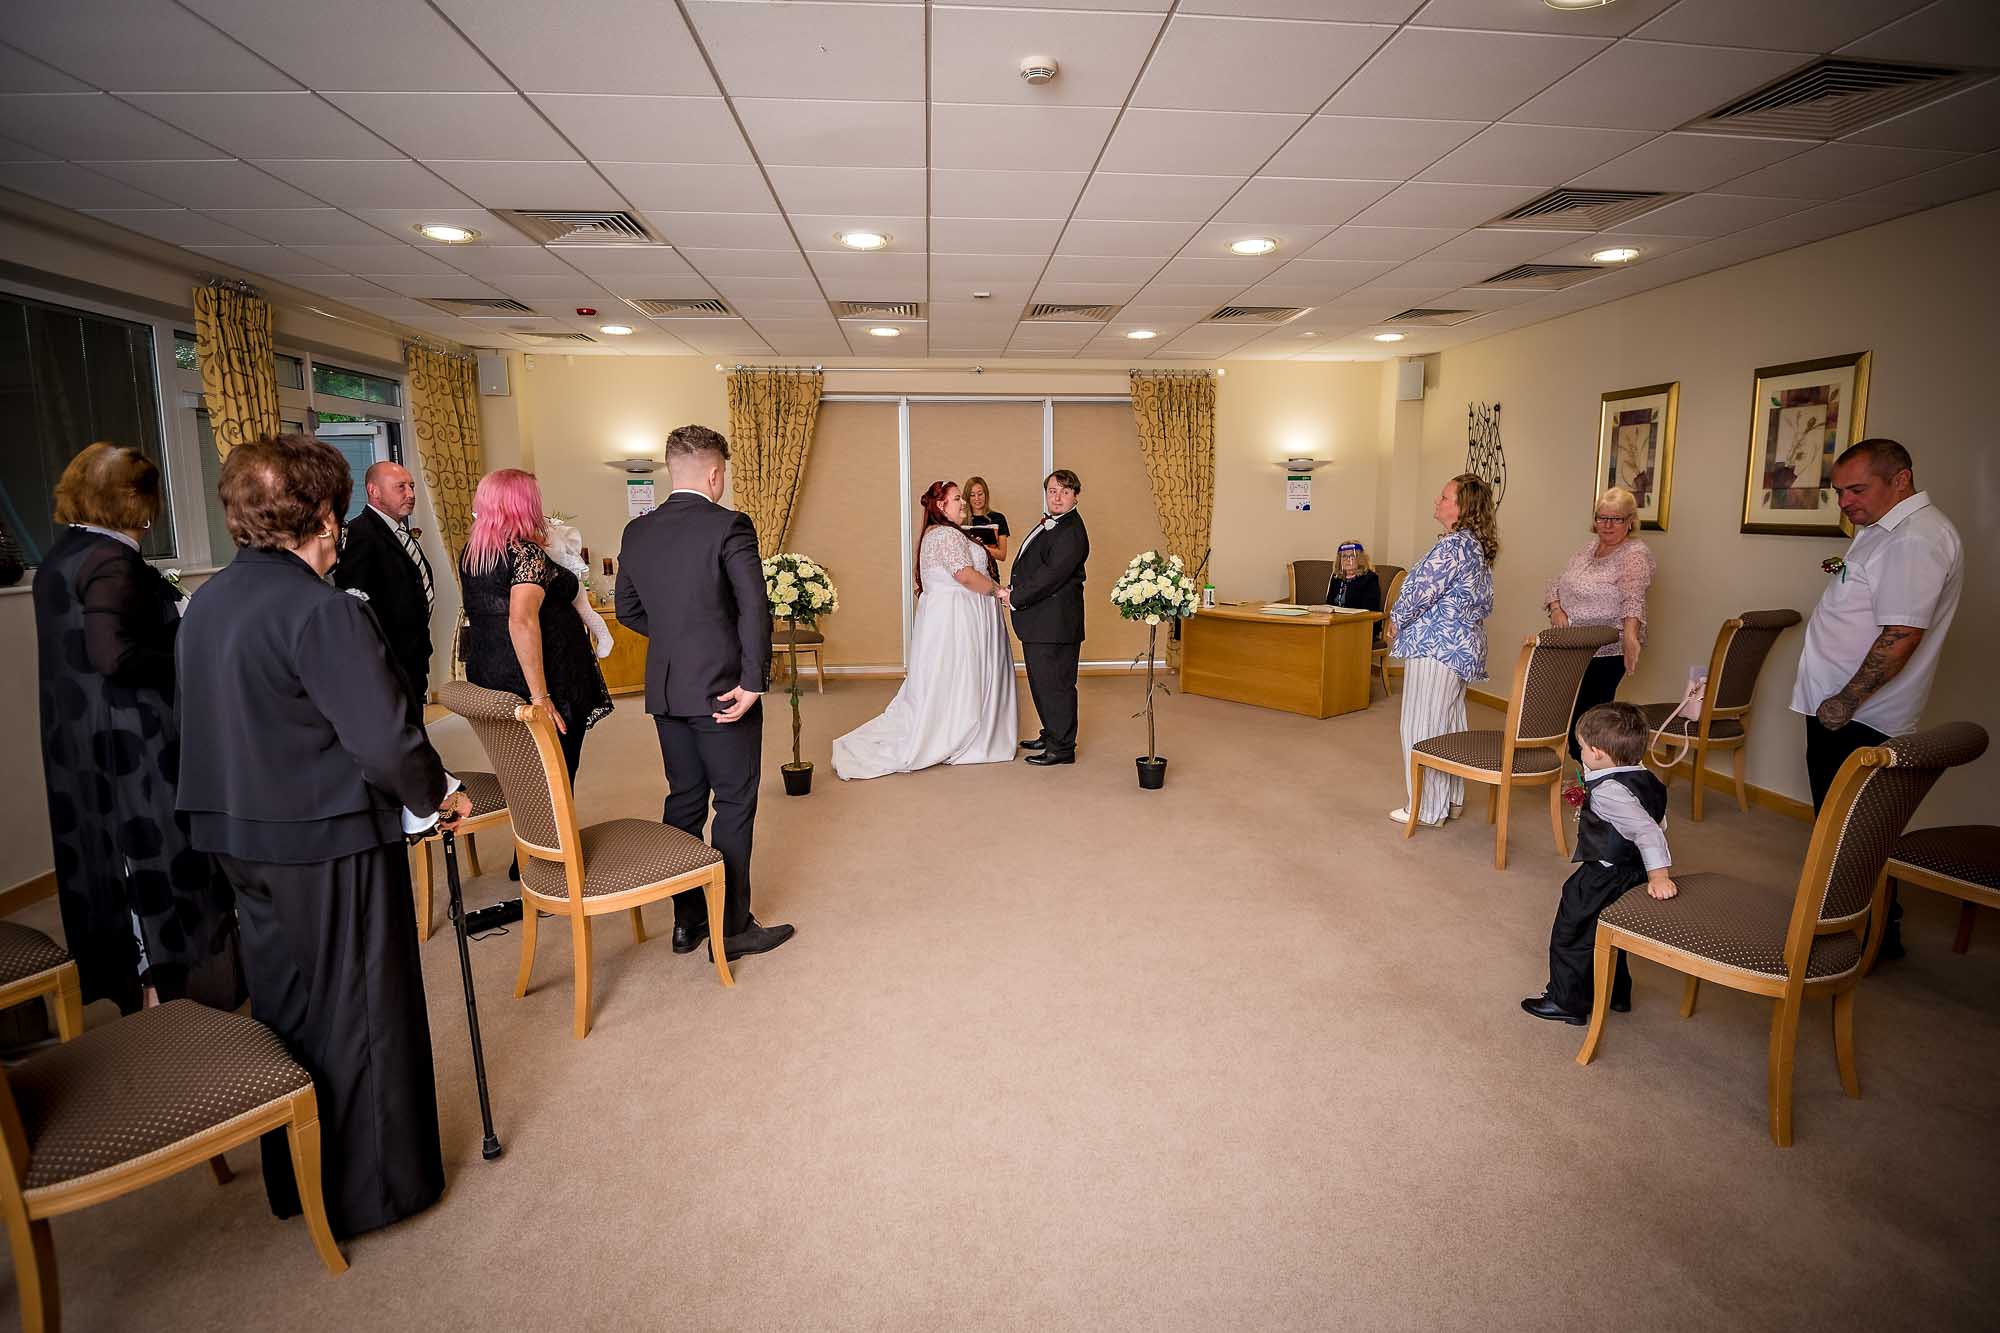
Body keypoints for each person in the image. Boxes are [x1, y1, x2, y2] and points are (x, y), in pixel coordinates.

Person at [175, 434, 471, 1239]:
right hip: (326, 842)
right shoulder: (320, 608)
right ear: (325, 515)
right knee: (363, 1013)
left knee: (287, 1008)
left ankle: (295, 1178)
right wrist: (435, 794)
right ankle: (372, 1193)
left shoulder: (207, 601)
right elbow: (383, 740)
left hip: (240, 835)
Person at [32, 442, 243, 1015]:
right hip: (133, 742)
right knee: (156, 857)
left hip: (78, 739)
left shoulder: (61, 556)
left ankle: (133, 979)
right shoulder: (111, 560)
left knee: (109, 857)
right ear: (137, 503)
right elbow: (113, 655)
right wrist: (186, 642)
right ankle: (168, 990)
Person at [615, 425, 794, 961]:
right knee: (734, 803)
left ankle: (687, 922)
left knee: (685, 801)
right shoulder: (730, 525)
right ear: (715, 474)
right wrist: (751, 681)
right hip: (722, 689)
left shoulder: (637, 531)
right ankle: (733, 929)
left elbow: (627, 609)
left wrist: (676, 643)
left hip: (668, 691)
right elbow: (754, 607)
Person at [1790, 439, 1962, 958]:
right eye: (1839, 490)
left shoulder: (1914, 540)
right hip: (1835, 705)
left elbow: (1903, 632)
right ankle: (1856, 925)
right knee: (1839, 825)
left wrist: (1845, 701)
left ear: (1901, 480)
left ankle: (1863, 937)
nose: (1844, 500)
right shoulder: (1879, 531)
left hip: (1857, 714)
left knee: (1849, 833)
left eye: (1857, 489)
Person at [833, 481, 1017, 780]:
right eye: (957, 499)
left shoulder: (945, 533)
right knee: (960, 672)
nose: (963, 503)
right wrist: (999, 593)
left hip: (955, 614)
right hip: (960, 618)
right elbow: (965, 576)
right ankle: (960, 729)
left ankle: (962, 721)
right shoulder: (945, 534)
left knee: (951, 674)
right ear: (941, 506)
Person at [1521, 702, 1677, 1025]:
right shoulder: (1643, 777)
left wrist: (1660, 875)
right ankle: (1616, 994)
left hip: (1606, 873)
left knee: (1572, 930)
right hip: (1629, 872)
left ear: (1598, 752)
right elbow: (1657, 822)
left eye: (1581, 749)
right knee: (1606, 929)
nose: (1579, 754)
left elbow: (1647, 830)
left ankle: (1565, 1001)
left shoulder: (1609, 792)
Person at [459, 469, 613, 788]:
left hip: (493, 670)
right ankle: (555, 837)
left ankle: (536, 835)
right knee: (555, 773)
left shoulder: (477, 552)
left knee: (528, 773)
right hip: (543, 678)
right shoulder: (524, 554)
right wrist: (540, 697)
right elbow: (522, 620)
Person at [1386, 473, 1498, 826]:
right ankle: (1449, 798)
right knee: (1447, 723)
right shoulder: (1472, 546)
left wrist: (1395, 619)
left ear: (1464, 508)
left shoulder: (1453, 547)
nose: (1437, 500)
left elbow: (1419, 590)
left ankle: (1427, 807)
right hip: (1458, 648)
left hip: (1437, 646)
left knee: (1421, 727)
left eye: (1445, 497)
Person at [1543, 485, 1656, 773]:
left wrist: (1630, 636)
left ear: (1630, 521)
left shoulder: (1635, 553)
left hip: (1607, 648)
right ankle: (1586, 773)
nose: (1606, 524)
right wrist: (1556, 609)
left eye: (1615, 519)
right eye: (1601, 517)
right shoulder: (1587, 548)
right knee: (1567, 712)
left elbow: (1634, 597)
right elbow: (1554, 583)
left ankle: (1595, 779)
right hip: (1572, 645)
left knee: (1591, 717)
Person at [332, 460, 434, 726]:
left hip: (412, 656)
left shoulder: (400, 531)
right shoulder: (360, 534)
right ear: (374, 491)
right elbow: (356, 603)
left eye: (411, 486)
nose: (411, 494)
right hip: (388, 661)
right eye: (400, 487)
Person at [1008, 469, 1089, 767]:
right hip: (1042, 622)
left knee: (1056, 685)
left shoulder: (1071, 531)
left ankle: (1062, 747)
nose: (1057, 496)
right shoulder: (1052, 524)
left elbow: (1050, 576)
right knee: (1042, 683)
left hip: (1055, 624)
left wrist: (1014, 596)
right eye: (1053, 490)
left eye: (1065, 492)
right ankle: (1051, 733)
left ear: (1076, 497)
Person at [1326, 540, 1383, 640]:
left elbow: (1369, 610)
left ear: (1360, 559)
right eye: (1344, 556)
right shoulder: (1336, 578)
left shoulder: (1369, 578)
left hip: (1362, 626)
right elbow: (1329, 604)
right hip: (1336, 624)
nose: (1348, 560)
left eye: (1352, 556)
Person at [962, 475, 1009, 573]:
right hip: (967, 572)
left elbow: (1002, 555)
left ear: (986, 494)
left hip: (990, 572)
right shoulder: (960, 520)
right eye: (972, 495)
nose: (977, 498)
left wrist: (981, 547)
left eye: (980, 494)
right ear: (967, 497)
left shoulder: (998, 518)